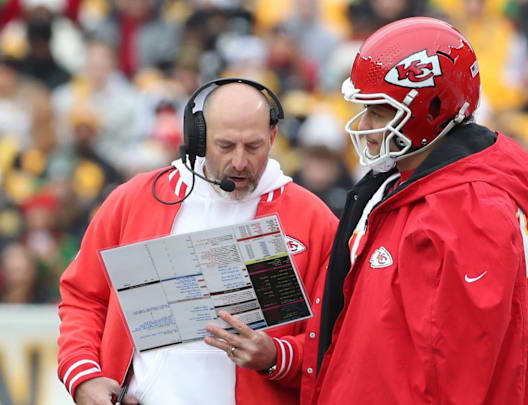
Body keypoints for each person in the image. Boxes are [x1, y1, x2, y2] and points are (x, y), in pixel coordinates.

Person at [312, 17, 528, 405]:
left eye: (378, 111)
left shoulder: (468, 207)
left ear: (432, 108)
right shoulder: (405, 183)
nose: (365, 125)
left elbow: (460, 370)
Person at [57, 79, 338, 405]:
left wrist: (276, 356)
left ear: (273, 137)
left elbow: (336, 338)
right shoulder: (135, 199)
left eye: (253, 146)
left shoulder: (314, 219)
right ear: (200, 139)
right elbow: (84, 298)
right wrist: (83, 376)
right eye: (226, 146)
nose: (240, 161)